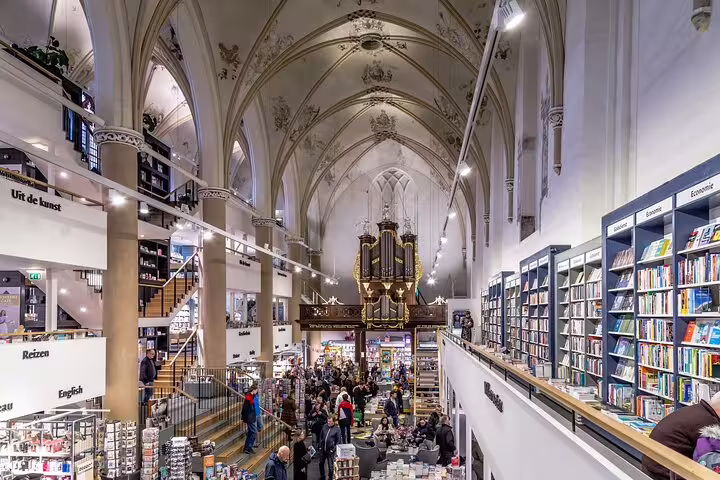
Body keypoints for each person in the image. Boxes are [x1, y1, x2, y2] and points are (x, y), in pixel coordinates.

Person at [642, 392, 720, 479]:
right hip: (664, 473)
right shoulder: (709, 423)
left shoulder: (697, 410)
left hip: (653, 465)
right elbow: (711, 460)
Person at [318, 415, 342, 480]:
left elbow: (338, 441)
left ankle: (330, 478)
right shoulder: (324, 426)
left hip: (330, 450)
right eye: (328, 421)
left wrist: (333, 449)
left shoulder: (337, 429)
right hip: (323, 449)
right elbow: (321, 437)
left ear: (333, 421)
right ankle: (322, 476)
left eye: (330, 421)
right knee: (321, 463)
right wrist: (320, 447)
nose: (328, 423)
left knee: (330, 466)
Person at [241, 384, 258, 454]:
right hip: (249, 418)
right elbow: (245, 409)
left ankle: (248, 447)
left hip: (251, 417)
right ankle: (248, 447)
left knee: (251, 433)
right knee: (253, 432)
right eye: (256, 390)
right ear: (253, 390)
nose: (257, 391)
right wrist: (245, 419)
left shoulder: (251, 396)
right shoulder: (248, 398)